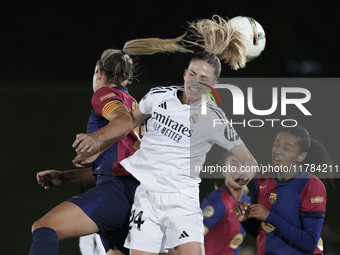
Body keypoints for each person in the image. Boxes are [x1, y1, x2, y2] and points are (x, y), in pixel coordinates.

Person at [72, 15, 258, 255]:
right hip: (147, 196)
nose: (195, 82)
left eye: (204, 79)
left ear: (214, 84)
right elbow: (128, 124)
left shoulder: (214, 118)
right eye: (192, 74)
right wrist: (99, 146)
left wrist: (247, 172)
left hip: (182, 200)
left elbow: (248, 159)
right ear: (184, 73)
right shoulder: (158, 96)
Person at [30, 37, 191, 255]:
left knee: (44, 228)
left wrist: (96, 137)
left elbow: (122, 121)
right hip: (136, 195)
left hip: (116, 193)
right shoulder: (135, 105)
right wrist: (66, 176)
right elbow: (118, 165)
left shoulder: (105, 95)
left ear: (99, 73)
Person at [234, 126, 333, 254]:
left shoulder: (311, 184)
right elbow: (260, 231)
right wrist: (245, 219)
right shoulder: (262, 178)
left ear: (301, 156)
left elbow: (310, 242)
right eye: (276, 144)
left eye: (286, 148)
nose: (278, 151)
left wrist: (270, 216)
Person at [200, 151, 251, 255]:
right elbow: (191, 238)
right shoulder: (218, 201)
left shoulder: (249, 202)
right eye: (234, 165)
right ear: (224, 171)